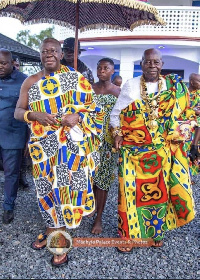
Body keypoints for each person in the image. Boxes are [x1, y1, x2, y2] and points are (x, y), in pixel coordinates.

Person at [14, 38, 104, 266]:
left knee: (63, 190)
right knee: (46, 190)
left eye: (54, 51)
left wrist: (79, 116)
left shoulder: (76, 79)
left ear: (61, 54)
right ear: (40, 54)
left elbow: (95, 109)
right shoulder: (31, 82)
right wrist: (36, 116)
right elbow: (18, 112)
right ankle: (51, 229)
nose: (49, 54)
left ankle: (59, 243)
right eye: (45, 51)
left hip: (69, 151)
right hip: (44, 150)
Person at [110, 48, 196, 253]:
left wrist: (179, 136)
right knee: (128, 193)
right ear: (141, 64)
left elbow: (185, 115)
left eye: (156, 62)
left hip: (161, 152)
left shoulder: (173, 87)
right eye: (148, 62)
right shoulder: (131, 85)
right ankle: (127, 236)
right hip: (133, 152)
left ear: (162, 65)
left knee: (160, 193)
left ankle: (156, 233)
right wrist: (118, 134)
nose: (152, 65)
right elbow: (116, 115)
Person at [91, 58, 120, 234]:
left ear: (112, 71)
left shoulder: (118, 92)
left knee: (103, 181)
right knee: (88, 178)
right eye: (99, 67)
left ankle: (99, 217)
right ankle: (89, 207)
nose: (102, 70)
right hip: (89, 142)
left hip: (108, 146)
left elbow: (122, 119)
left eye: (106, 68)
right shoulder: (88, 90)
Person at [0, 49, 28, 224]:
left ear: (12, 63)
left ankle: (8, 206)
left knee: (11, 173)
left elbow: (29, 110)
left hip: (13, 135)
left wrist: (29, 138)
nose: (0, 67)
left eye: (3, 63)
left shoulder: (24, 81)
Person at [188, 73, 200, 175]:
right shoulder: (184, 94)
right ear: (192, 82)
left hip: (196, 128)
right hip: (184, 128)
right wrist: (193, 111)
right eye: (198, 81)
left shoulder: (199, 95)